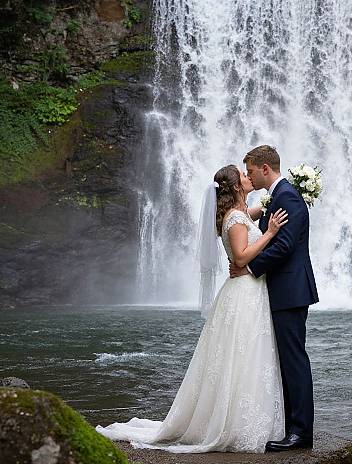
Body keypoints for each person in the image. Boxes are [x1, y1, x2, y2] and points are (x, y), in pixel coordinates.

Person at [96, 164, 288, 453]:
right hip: (244, 291)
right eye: (245, 176)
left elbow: (253, 213)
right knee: (243, 353)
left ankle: (241, 418)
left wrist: (277, 198)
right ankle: (234, 423)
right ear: (236, 186)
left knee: (244, 355)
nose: (250, 178)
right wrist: (271, 233)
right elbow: (240, 258)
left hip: (247, 292)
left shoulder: (237, 214)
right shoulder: (235, 218)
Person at [230, 145, 319, 452]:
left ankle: (301, 433)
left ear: (265, 169)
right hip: (284, 290)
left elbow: (283, 247)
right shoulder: (279, 197)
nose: (249, 177)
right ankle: (292, 427)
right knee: (287, 360)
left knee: (294, 361)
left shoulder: (288, 197)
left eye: (252, 171)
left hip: (291, 291)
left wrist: (248, 267)